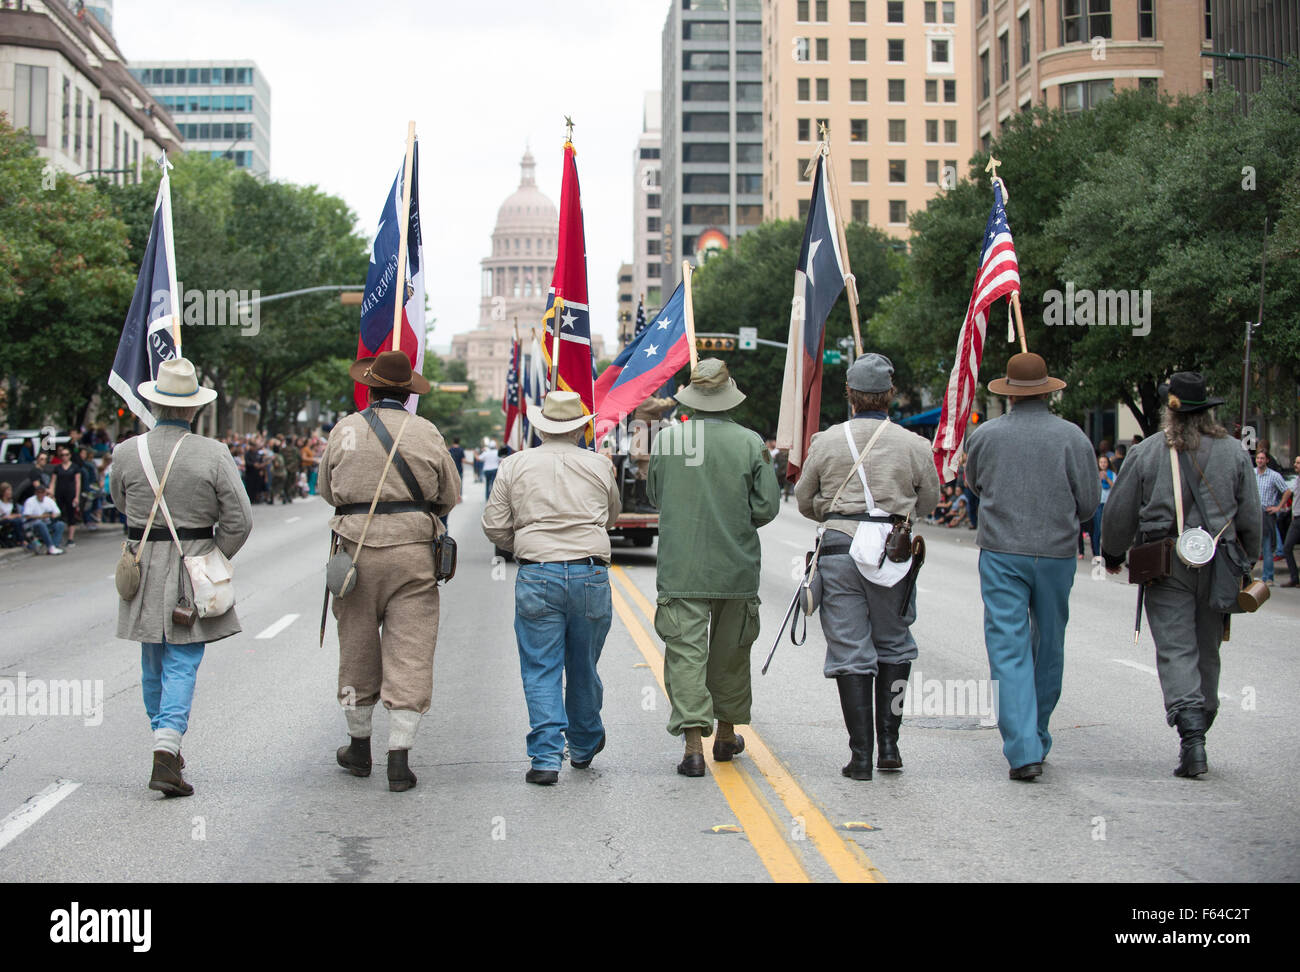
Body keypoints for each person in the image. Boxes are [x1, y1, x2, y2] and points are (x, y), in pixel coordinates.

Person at [1102, 373, 1260, 778]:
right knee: (1208, 648)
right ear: (1207, 412)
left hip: (1165, 562)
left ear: (1169, 414)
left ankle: (1192, 739)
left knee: (1176, 648)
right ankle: (1201, 723)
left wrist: (1113, 552)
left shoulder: (1148, 452)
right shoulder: (1234, 454)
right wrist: (1250, 560)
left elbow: (1119, 512)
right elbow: (1250, 516)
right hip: (1221, 563)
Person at [111, 358, 253, 797]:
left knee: (152, 659)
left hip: (142, 562)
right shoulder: (213, 453)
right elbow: (240, 520)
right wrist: (213, 557)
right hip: (194, 561)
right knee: (183, 659)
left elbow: (119, 501)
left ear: (154, 405)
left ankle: (163, 744)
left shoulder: (125, 451)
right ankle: (166, 749)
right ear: (192, 410)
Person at [794, 353, 940, 779]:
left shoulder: (825, 442)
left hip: (840, 549)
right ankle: (890, 746)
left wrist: (831, 508)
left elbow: (806, 501)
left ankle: (860, 757)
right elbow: (928, 502)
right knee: (894, 645)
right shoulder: (914, 445)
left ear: (850, 396)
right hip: (892, 553)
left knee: (850, 650)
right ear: (890, 395)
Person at [320, 351, 460, 793]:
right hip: (412, 553)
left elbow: (327, 490)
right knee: (411, 651)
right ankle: (399, 756)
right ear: (407, 393)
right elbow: (450, 494)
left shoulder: (344, 429)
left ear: (370, 387)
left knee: (356, 649)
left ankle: (358, 747)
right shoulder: (426, 432)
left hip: (354, 552)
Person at [964, 352, 1099, 781]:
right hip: (1057, 552)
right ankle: (1037, 732)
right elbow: (1090, 502)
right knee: (1050, 645)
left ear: (1009, 393)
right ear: (1048, 391)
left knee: (1008, 648)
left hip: (1003, 551)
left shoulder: (985, 436)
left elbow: (974, 484)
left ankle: (1023, 748)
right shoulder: (1074, 438)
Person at [647, 359, 780, 777]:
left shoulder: (667, 441)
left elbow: (656, 496)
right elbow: (767, 507)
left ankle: (691, 748)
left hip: (681, 567)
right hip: (735, 567)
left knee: (686, 653)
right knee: (731, 653)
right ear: (728, 396)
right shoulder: (750, 442)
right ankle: (725, 735)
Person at [481, 391, 621, 785]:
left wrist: (528, 545)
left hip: (537, 573)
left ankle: (545, 757)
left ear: (540, 427)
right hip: (589, 572)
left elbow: (494, 524)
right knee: (583, 665)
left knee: (541, 668)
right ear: (581, 427)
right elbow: (611, 516)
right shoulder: (599, 465)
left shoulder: (514, 465)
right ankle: (583, 741)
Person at [1254, 449, 1289, 586]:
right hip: (1253, 513)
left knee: (1267, 546)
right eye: (1258, 458)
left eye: (1262, 458)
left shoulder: (1274, 476)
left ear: (1267, 460)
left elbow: (1286, 490)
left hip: (1266, 513)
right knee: (1251, 546)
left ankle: (1268, 577)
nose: (1260, 461)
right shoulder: (1252, 473)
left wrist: (1278, 507)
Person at [21, 481, 66, 554]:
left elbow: (58, 512)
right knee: (40, 524)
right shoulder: (30, 501)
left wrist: (53, 515)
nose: (40, 494)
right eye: (39, 492)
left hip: (47, 522)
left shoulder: (49, 501)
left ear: (45, 493)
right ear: (36, 493)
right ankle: (50, 546)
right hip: (33, 523)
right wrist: (41, 516)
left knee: (60, 524)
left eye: (42, 492)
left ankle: (54, 545)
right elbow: (27, 516)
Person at [52, 446, 82, 546]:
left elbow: (78, 482)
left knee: (71, 515)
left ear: (70, 456)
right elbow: (53, 482)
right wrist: (52, 494)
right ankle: (58, 538)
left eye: (66, 455)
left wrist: (77, 497)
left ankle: (70, 538)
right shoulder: (57, 468)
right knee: (58, 515)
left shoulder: (74, 467)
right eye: (62, 455)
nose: (64, 457)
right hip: (59, 493)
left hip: (71, 494)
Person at [1090, 455, 1116, 560]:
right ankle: (1096, 553)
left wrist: (1106, 478)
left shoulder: (1112, 474)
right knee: (1097, 529)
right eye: (1101, 462)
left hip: (1109, 504)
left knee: (1108, 529)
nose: (1103, 464)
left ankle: (1107, 552)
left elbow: (1115, 487)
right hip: (1098, 504)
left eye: (1105, 462)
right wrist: (1099, 479)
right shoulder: (1095, 474)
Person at [1280, 455, 1300, 588]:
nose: (1295, 465)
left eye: (1298, 463)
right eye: (1295, 462)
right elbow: (1288, 492)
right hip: (1296, 518)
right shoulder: (1297, 479)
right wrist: (1280, 506)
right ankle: (1294, 578)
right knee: (1287, 547)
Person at [1, 482, 27, 547]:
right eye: (8, 490)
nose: (10, 492)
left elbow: (16, 514)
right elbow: (3, 516)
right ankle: (21, 540)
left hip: (10, 520)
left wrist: (11, 516)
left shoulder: (12, 503)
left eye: (10, 490)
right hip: (2, 520)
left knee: (19, 520)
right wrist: (9, 516)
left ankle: (20, 540)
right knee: (16, 521)